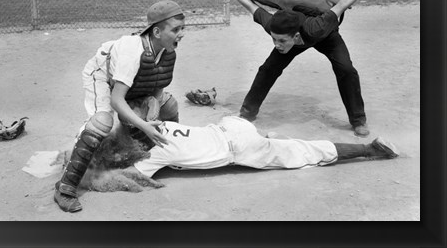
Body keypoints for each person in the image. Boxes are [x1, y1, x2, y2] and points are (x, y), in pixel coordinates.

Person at [212, 0, 381, 137]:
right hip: (295, 38)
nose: (277, 45)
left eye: (281, 41)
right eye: (274, 39)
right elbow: (249, 4)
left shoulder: (316, 27)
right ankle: (247, 114)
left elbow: (341, 5)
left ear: (296, 35)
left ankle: (358, 120)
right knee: (267, 69)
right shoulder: (273, 26)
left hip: (327, 37)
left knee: (346, 69)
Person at [54, 0, 186, 213]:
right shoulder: (131, 53)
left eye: (183, 29)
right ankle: (65, 187)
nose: (181, 34)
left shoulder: (168, 51)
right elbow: (117, 100)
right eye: (176, 29)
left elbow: (156, 86)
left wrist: (151, 113)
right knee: (103, 122)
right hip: (102, 77)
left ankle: (161, 154)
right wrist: (143, 125)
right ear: (157, 32)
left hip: (128, 81)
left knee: (168, 105)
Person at [125, 114, 398, 179]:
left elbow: (131, 176)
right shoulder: (162, 124)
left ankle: (370, 150)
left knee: (308, 152)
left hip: (241, 147)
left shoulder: (160, 152)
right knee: (275, 143)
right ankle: (272, 139)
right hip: (232, 125)